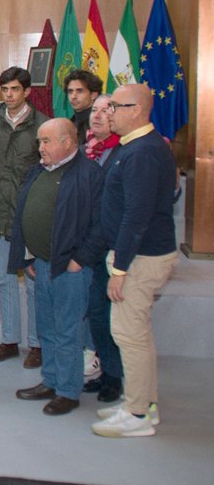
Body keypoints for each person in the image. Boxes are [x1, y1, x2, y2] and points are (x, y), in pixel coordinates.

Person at [91, 84, 178, 438]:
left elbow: (136, 216)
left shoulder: (142, 152)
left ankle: (138, 414)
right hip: (138, 255)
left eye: (114, 106)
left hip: (141, 259)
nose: (108, 112)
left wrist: (121, 268)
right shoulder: (135, 147)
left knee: (129, 334)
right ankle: (143, 403)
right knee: (136, 334)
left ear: (137, 110)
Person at [9, 118, 106, 416]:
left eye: (46, 141)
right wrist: (28, 258)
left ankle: (67, 390)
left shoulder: (89, 174)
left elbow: (102, 224)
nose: (40, 147)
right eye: (39, 141)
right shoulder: (39, 171)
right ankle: (50, 380)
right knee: (47, 328)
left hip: (71, 268)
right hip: (41, 264)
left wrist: (81, 259)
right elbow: (25, 214)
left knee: (67, 330)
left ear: (67, 142)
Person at [0, 66, 48, 366]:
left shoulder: (41, 126)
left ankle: (37, 344)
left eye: (14, 90)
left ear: (26, 91)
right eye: (4, 90)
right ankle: (9, 340)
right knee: (6, 281)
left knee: (33, 281)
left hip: (30, 214)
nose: (8, 95)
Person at [82, 94, 125, 403]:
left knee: (115, 319)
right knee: (97, 314)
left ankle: (117, 377)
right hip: (89, 246)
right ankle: (107, 371)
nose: (97, 116)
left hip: (114, 248)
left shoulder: (123, 152)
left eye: (105, 110)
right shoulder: (86, 151)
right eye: (93, 110)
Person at [64, 68, 103, 144]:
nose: (73, 96)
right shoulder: (68, 124)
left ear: (93, 95)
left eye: (79, 91)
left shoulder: (101, 124)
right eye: (70, 91)